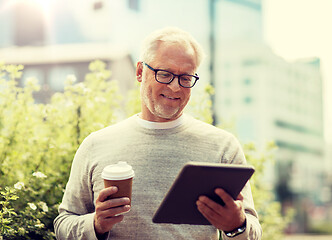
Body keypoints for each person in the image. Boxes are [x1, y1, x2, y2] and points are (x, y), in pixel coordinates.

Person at [54, 27, 262, 240]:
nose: (174, 87)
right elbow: (63, 225)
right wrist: (95, 225)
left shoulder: (223, 147)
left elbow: (253, 231)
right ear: (139, 72)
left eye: (185, 77)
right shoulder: (95, 145)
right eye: (164, 74)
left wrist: (236, 226)